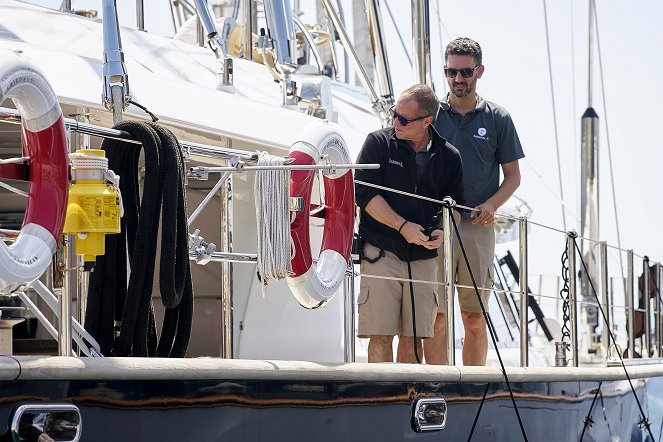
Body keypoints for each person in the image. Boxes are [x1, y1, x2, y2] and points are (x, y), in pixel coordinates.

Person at [422, 37, 525, 366]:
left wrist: (492, 205)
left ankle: (471, 388)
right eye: (451, 72)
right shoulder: (429, 116)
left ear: (479, 71)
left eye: (466, 72)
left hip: (477, 229)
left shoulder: (498, 118)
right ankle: (437, 386)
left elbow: (513, 176)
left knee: (475, 320)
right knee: (436, 319)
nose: (458, 79)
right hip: (435, 227)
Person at [354, 84, 464, 363]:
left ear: (427, 121)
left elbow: (455, 207)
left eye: (403, 119)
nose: (395, 122)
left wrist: (442, 229)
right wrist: (403, 226)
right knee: (380, 335)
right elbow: (364, 194)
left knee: (414, 338)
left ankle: (407, 402)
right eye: (394, 114)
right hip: (381, 252)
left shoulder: (450, 156)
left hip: (424, 258)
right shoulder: (377, 143)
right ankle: (381, 403)